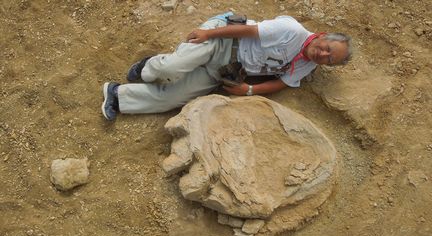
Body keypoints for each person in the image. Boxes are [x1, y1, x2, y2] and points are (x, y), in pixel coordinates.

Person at [101, 12, 352, 121]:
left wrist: (249, 91)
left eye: (330, 59)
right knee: (171, 69)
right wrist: (208, 34)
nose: (323, 55)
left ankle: (117, 96)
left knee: (172, 99)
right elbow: (248, 30)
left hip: (226, 70)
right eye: (327, 48)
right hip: (223, 41)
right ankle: (148, 66)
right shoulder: (292, 30)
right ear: (322, 35)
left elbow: (282, 82)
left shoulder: (308, 65)